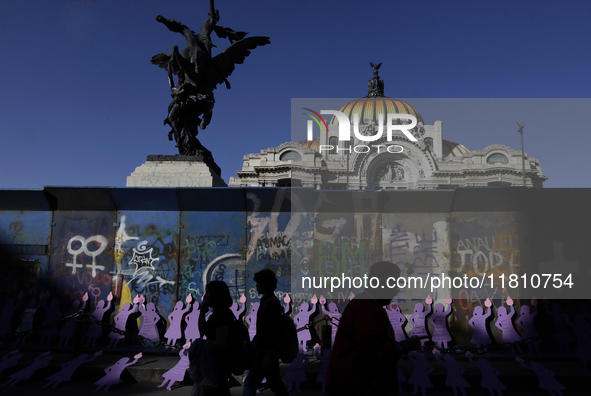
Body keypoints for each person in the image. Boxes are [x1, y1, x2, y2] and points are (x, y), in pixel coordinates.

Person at [325, 261, 420, 396]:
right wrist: (405, 346)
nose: (396, 290)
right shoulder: (366, 309)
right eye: (394, 284)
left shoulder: (367, 306)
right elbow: (376, 352)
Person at [242, 269, 288, 396]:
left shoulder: (270, 302)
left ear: (264, 284)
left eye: (258, 283)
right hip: (265, 351)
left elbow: (272, 331)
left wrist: (267, 355)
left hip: (265, 352)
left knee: (250, 383)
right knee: (275, 383)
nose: (256, 286)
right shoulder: (268, 300)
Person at [190, 280, 236, 396]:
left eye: (208, 293)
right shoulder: (216, 313)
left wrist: (202, 345)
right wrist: (201, 312)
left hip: (218, 363)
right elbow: (203, 332)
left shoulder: (223, 314)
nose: (205, 296)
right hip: (214, 361)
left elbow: (221, 342)